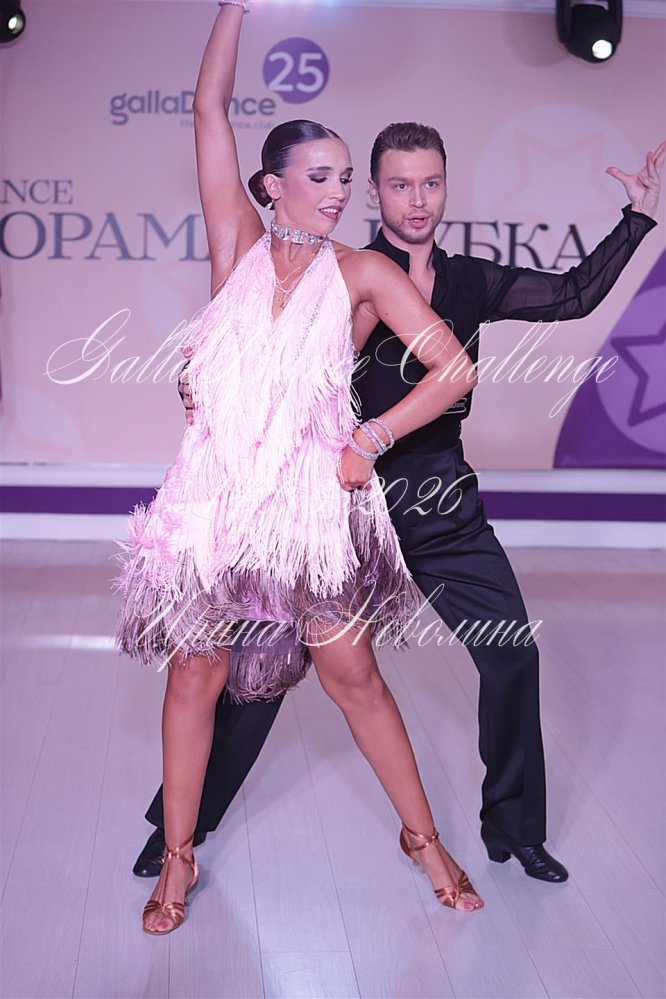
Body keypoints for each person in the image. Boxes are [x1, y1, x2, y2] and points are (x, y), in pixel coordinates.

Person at [134, 116, 663, 886]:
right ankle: (180, 830)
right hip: (334, 501)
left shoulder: (470, 280)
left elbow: (574, 295)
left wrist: (638, 216)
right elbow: (263, 366)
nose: (417, 200)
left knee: (512, 650)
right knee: (258, 669)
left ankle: (514, 827)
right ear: (374, 194)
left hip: (437, 496)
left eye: (431, 184)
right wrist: (200, 380)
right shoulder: (338, 272)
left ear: (445, 188)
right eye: (398, 185)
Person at [114, 0, 488, 936]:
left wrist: (370, 438)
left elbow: (453, 369)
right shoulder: (235, 246)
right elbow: (208, 108)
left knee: (352, 673)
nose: (337, 191)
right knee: (195, 671)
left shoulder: (361, 273)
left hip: (307, 510)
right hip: (214, 498)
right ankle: (179, 854)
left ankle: (424, 840)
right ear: (270, 185)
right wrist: (235, 7)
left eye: (344, 177)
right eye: (319, 176)